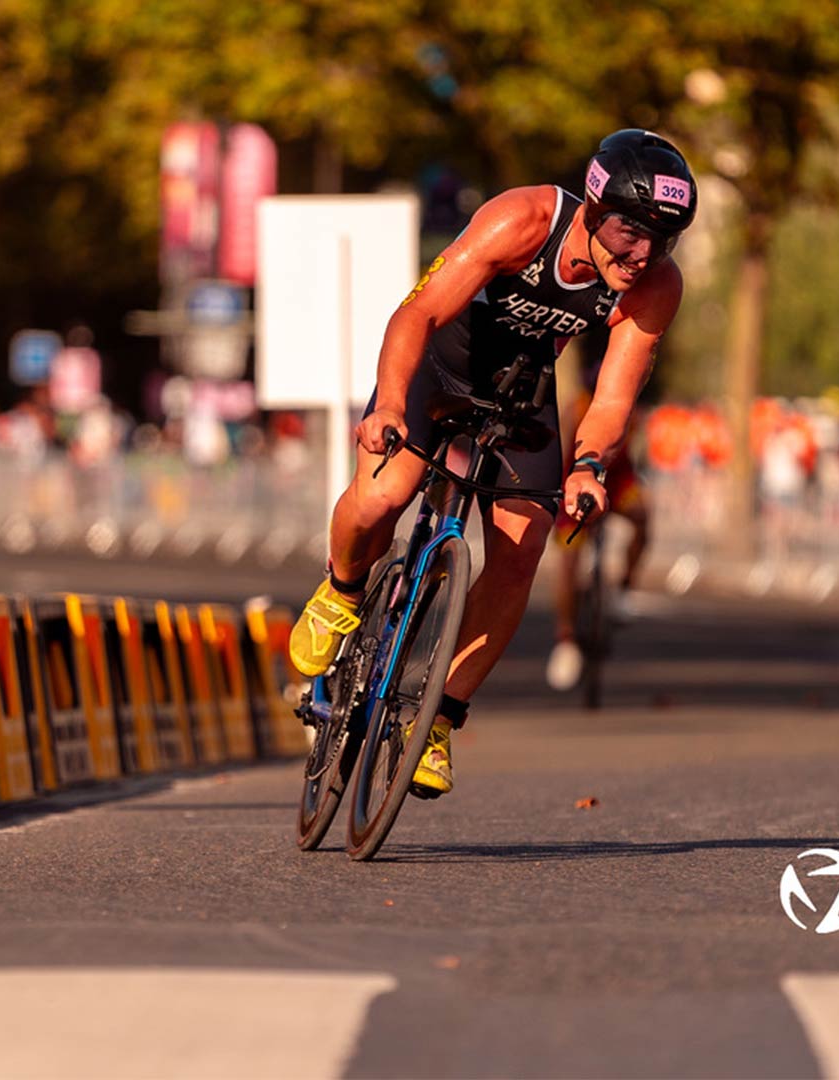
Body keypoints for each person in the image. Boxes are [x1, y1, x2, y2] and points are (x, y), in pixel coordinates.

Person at [287, 129, 696, 796]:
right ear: (592, 209)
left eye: (664, 237)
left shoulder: (654, 285)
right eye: (629, 230)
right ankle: (339, 590)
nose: (643, 252)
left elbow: (613, 395)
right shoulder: (524, 219)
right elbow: (417, 314)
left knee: (523, 545)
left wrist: (588, 465)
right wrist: (390, 403)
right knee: (386, 495)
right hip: (436, 369)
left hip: (520, 389)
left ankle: (439, 718)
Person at [545, 326, 653, 692]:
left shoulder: (633, 411)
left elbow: (632, 462)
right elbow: (560, 458)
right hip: (572, 483)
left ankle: (623, 588)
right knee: (569, 560)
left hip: (617, 480)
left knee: (643, 518)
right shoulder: (575, 407)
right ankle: (565, 639)